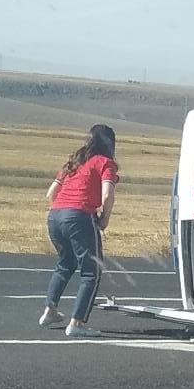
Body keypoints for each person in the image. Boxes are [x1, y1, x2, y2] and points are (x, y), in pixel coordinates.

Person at [38, 124, 117, 338]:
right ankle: (77, 322)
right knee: (92, 271)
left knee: (66, 263)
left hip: (55, 215)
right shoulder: (105, 163)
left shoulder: (73, 162)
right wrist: (103, 219)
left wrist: (62, 209)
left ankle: (50, 309)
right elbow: (107, 194)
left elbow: (51, 193)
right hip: (80, 216)